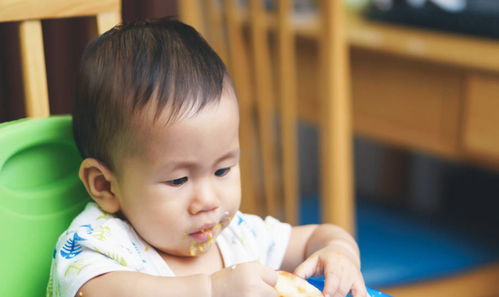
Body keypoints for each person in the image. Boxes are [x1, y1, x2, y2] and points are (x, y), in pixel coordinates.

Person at [47, 18, 368, 297]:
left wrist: (338, 253)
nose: (208, 200)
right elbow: (97, 291)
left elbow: (316, 235)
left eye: (222, 170)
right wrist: (211, 290)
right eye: (178, 179)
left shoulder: (238, 236)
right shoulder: (101, 244)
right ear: (105, 185)